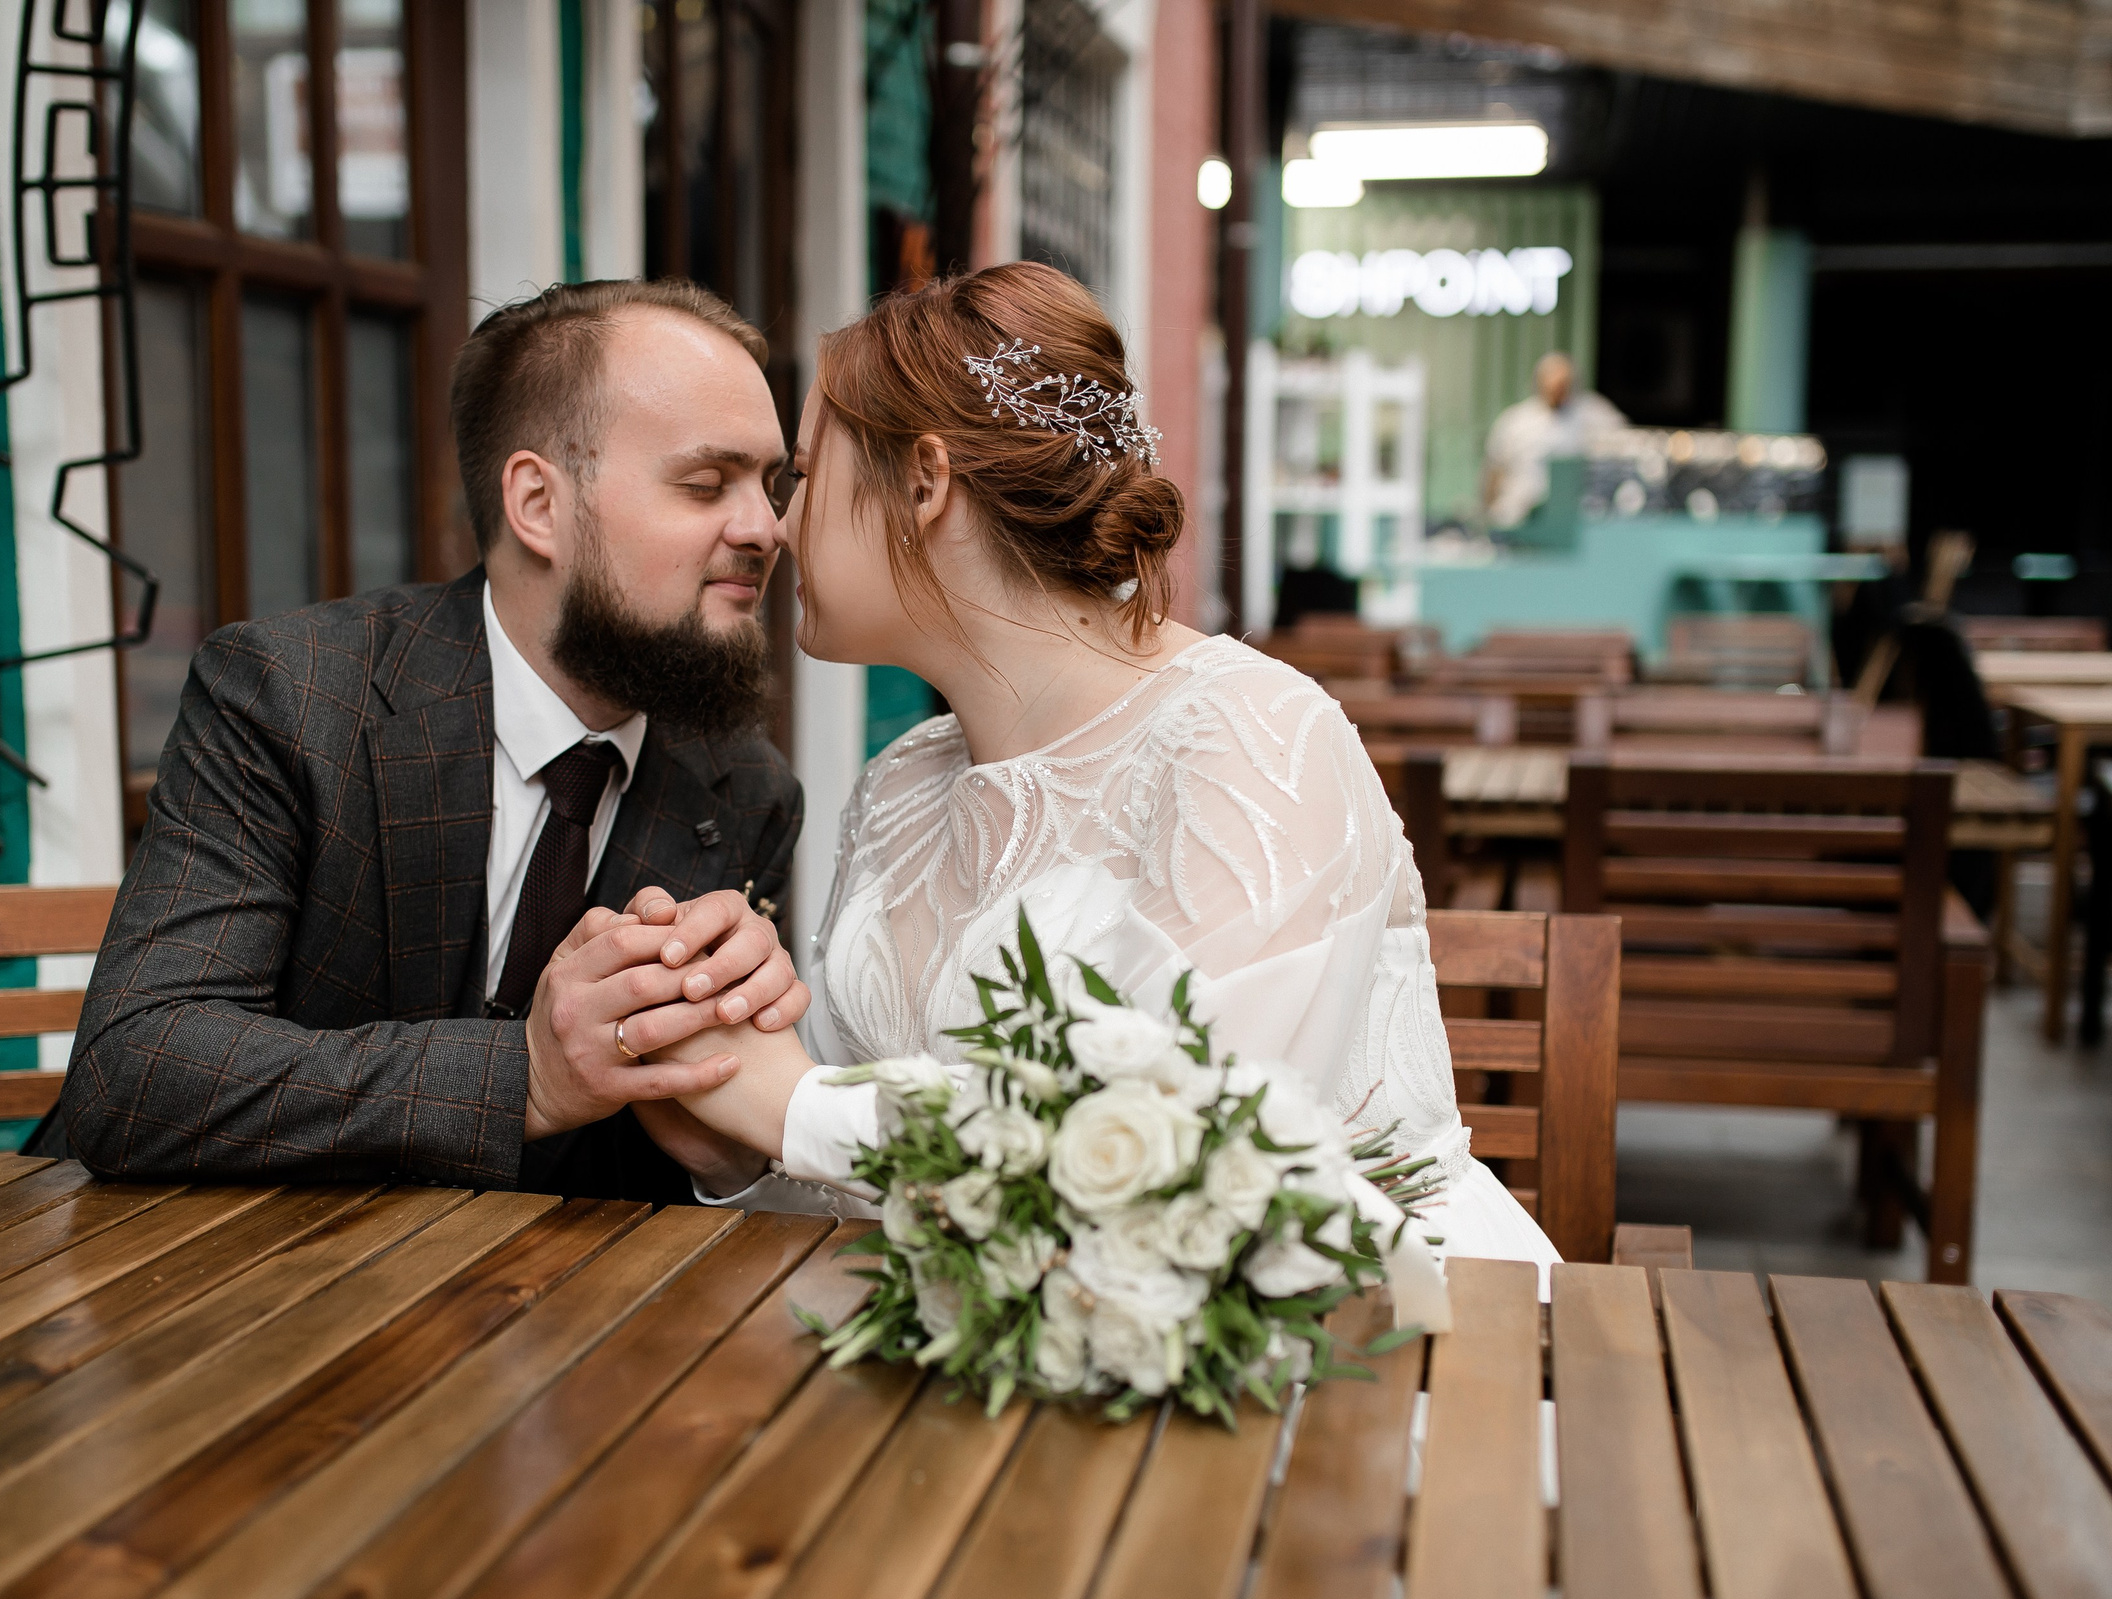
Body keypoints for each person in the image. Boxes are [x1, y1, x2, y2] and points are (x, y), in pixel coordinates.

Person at [625, 261, 1562, 1281]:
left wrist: (793, 1102)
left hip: (1342, 1338)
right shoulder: (899, 783)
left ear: (926, 483)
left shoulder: (1254, 740)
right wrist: (730, 1136)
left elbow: (1195, 1170)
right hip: (987, 1333)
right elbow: (893, 1181)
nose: (777, 528)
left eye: (800, 477)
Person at [26, 279, 812, 1203]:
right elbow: (137, 1071)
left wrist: (722, 1153)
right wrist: (520, 1076)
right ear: (538, 504)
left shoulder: (749, 790)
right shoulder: (290, 695)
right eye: (705, 483)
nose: (767, 527)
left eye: (771, 483)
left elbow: (654, 1176)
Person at [1482, 351, 1626, 529]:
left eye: (1563, 384)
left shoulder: (1596, 415)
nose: (1557, 389)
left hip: (1574, 520)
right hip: (1518, 517)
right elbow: (1495, 470)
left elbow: (1624, 450)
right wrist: (1487, 514)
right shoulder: (1515, 421)